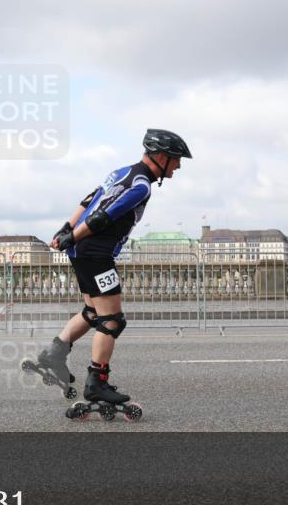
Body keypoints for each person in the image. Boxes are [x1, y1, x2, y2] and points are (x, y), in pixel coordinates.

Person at [26, 129, 192, 406]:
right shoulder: (141, 185)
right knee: (112, 320)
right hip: (96, 252)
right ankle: (97, 384)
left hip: (82, 251)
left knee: (93, 311)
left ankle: (53, 355)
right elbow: (104, 216)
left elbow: (88, 200)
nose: (178, 165)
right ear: (161, 157)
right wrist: (73, 235)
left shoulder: (121, 172)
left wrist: (66, 230)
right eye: (176, 159)